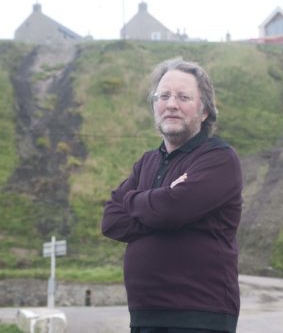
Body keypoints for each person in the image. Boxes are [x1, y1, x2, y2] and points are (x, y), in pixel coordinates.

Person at [101, 57, 243, 333]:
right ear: (155, 106)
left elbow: (170, 210)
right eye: (163, 96)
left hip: (199, 315)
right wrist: (159, 201)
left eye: (183, 97)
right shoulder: (147, 162)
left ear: (204, 111)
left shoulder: (219, 159)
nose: (171, 104)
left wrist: (131, 199)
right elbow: (111, 221)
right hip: (145, 314)